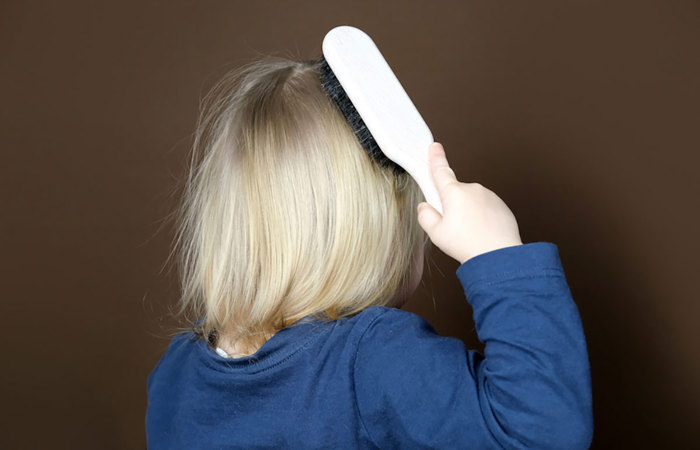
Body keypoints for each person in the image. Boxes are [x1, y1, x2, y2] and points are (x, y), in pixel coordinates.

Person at [146, 56, 593, 449]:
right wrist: (497, 254)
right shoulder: (372, 359)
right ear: (379, 235)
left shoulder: (175, 373)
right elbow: (542, 433)